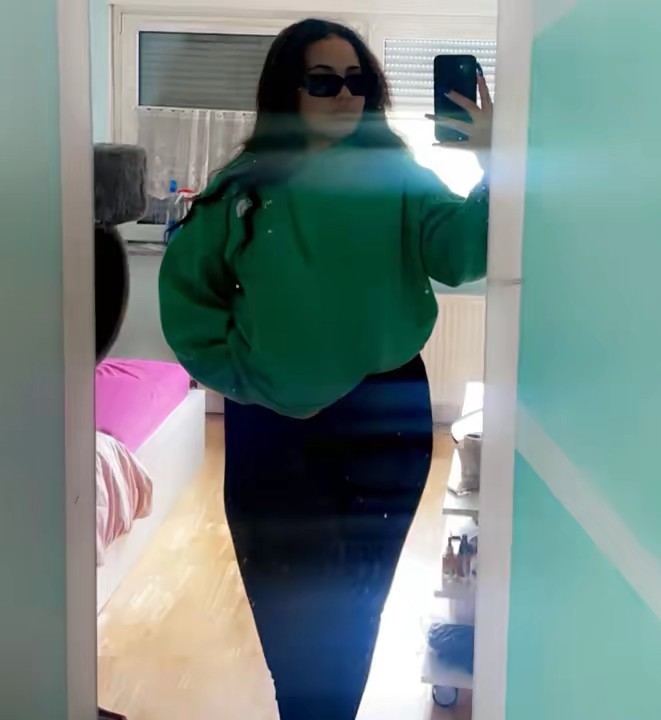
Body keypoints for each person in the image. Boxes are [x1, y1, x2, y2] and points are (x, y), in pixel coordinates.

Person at [158, 18, 492, 720]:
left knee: (355, 611)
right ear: (289, 91)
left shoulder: (398, 179)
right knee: (292, 619)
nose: (345, 94)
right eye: (323, 80)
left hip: (387, 422)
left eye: (357, 81)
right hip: (273, 427)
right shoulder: (244, 189)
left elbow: (462, 253)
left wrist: (494, 162)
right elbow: (189, 302)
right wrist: (250, 379)